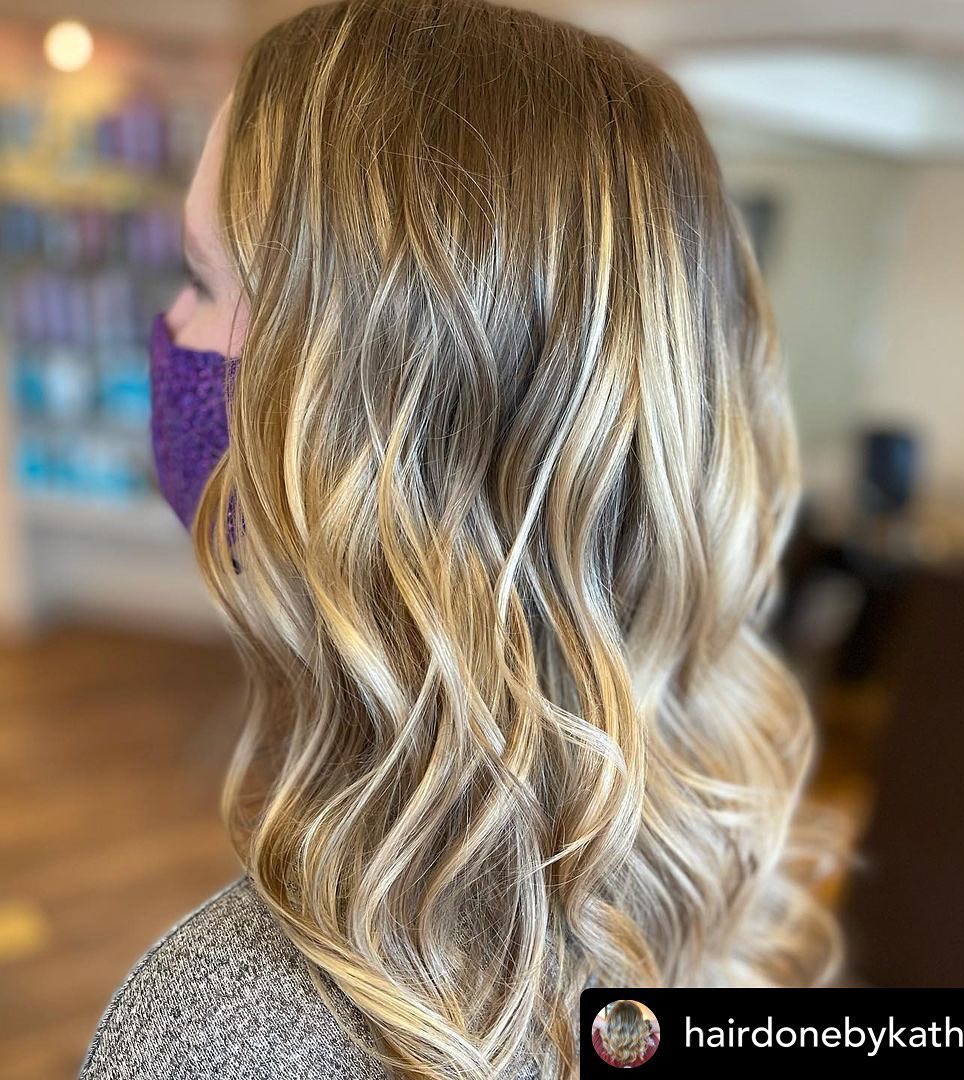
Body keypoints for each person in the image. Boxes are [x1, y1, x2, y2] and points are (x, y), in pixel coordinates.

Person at [78, 1, 850, 1078]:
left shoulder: (216, 1026)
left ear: (372, 415)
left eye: (206, 280)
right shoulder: (707, 863)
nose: (172, 330)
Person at [592, 1001, 659, 1068]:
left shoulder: (599, 1042)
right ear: (639, 1024)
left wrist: (608, 1027)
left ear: (610, 1020)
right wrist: (641, 1028)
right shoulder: (651, 1047)